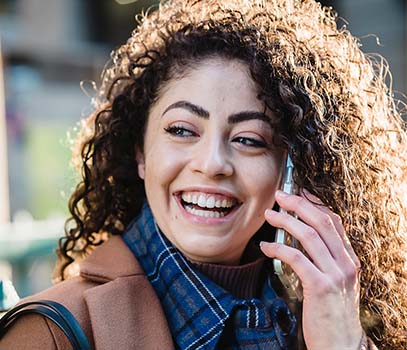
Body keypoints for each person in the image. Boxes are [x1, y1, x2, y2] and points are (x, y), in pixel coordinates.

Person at [1, 0, 407, 349]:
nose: (212, 163)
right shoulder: (53, 334)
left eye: (250, 139)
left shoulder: (330, 318)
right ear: (141, 153)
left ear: (294, 171)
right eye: (181, 131)